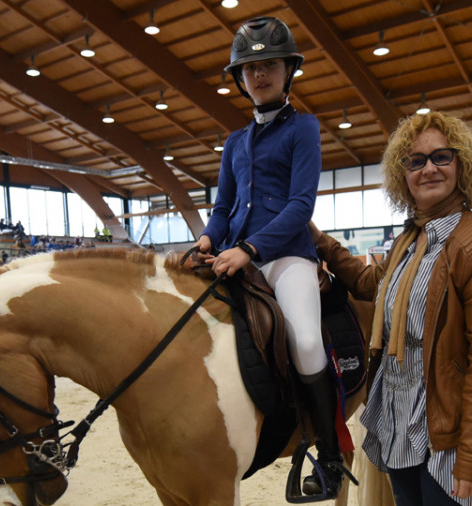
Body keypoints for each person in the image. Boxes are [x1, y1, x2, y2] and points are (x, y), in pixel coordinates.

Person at [309, 112, 472, 505]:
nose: (429, 168)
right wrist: (322, 242)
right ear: (403, 176)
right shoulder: (408, 242)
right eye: (416, 161)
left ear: (462, 165)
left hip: (451, 435)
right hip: (401, 426)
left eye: (442, 156)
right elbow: (372, 284)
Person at [192, 17, 341, 497]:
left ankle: (331, 456)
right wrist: (207, 240)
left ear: (287, 71)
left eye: (269, 65)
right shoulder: (235, 141)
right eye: (251, 68)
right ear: (240, 78)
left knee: (306, 341)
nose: (259, 75)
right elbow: (222, 208)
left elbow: (301, 205)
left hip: (283, 256)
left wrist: (250, 250)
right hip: (232, 251)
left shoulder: (305, 128)